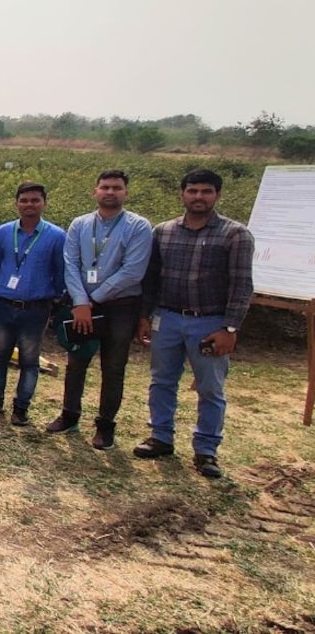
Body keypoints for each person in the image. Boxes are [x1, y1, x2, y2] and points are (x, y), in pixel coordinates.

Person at [133, 169, 254, 479]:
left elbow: (242, 285)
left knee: (210, 388)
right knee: (162, 380)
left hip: (210, 322)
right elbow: (151, 280)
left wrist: (230, 328)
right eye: (193, 191)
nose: (199, 197)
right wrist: (146, 316)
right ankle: (161, 437)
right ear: (182, 193)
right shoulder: (164, 231)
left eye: (206, 192)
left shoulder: (234, 234)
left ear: (217, 195)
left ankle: (206, 450)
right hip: (168, 318)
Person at [47, 169, 152, 450]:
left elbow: (133, 271)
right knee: (76, 362)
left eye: (116, 188)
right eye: (105, 187)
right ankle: (69, 415)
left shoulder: (139, 226)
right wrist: (81, 301)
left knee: (114, 367)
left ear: (126, 193)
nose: (110, 192)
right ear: (95, 191)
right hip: (82, 304)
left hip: (120, 306)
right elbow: (70, 264)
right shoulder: (80, 224)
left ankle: (105, 426)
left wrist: (93, 300)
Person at [0, 182, 66, 426]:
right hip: (5, 304)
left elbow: (61, 272)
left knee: (29, 361)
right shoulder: (4, 232)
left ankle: (21, 408)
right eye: (24, 200)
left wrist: (53, 297)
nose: (29, 205)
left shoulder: (56, 236)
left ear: (44, 203)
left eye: (35, 200)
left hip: (36, 308)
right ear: (16, 203)